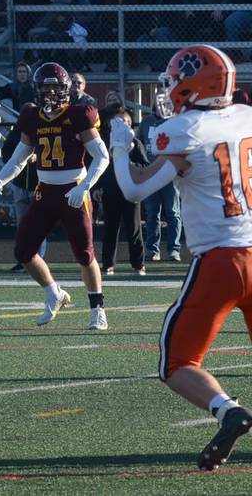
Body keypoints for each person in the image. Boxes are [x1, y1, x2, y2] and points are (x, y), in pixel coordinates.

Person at [108, 44, 252, 471]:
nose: (169, 89)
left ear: (193, 84)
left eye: (174, 81)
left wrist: (119, 147)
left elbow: (134, 188)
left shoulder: (186, 130)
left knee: (177, 362)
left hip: (221, 262)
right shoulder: (246, 117)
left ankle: (227, 410)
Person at [0, 62, 110, 330]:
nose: (50, 93)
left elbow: (102, 156)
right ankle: (54, 293)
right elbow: (20, 158)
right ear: (37, 90)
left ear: (65, 90)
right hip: (45, 191)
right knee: (23, 251)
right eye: (45, 88)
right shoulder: (32, 117)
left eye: (55, 88)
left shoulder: (79, 115)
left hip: (73, 188)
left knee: (85, 254)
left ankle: (97, 309)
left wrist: (84, 186)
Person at [95, 106, 147, 275]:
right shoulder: (105, 142)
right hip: (110, 191)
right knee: (110, 229)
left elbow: (145, 165)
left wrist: (130, 166)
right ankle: (108, 264)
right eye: (118, 121)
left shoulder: (135, 143)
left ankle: (138, 265)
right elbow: (99, 166)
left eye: (126, 121)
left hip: (130, 192)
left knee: (134, 229)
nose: (122, 124)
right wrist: (97, 187)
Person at [137, 103, 183, 261]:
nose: (161, 106)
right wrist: (143, 165)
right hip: (151, 173)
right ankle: (152, 249)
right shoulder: (146, 122)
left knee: (173, 212)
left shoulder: (174, 121)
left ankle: (174, 249)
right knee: (152, 214)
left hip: (170, 173)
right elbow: (139, 143)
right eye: (158, 102)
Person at [1, 121, 47, 273]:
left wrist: (37, 156)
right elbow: (6, 151)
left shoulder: (45, 128)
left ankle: (39, 259)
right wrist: (19, 158)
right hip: (20, 184)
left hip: (39, 184)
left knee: (39, 224)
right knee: (22, 225)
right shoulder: (17, 131)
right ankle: (24, 260)